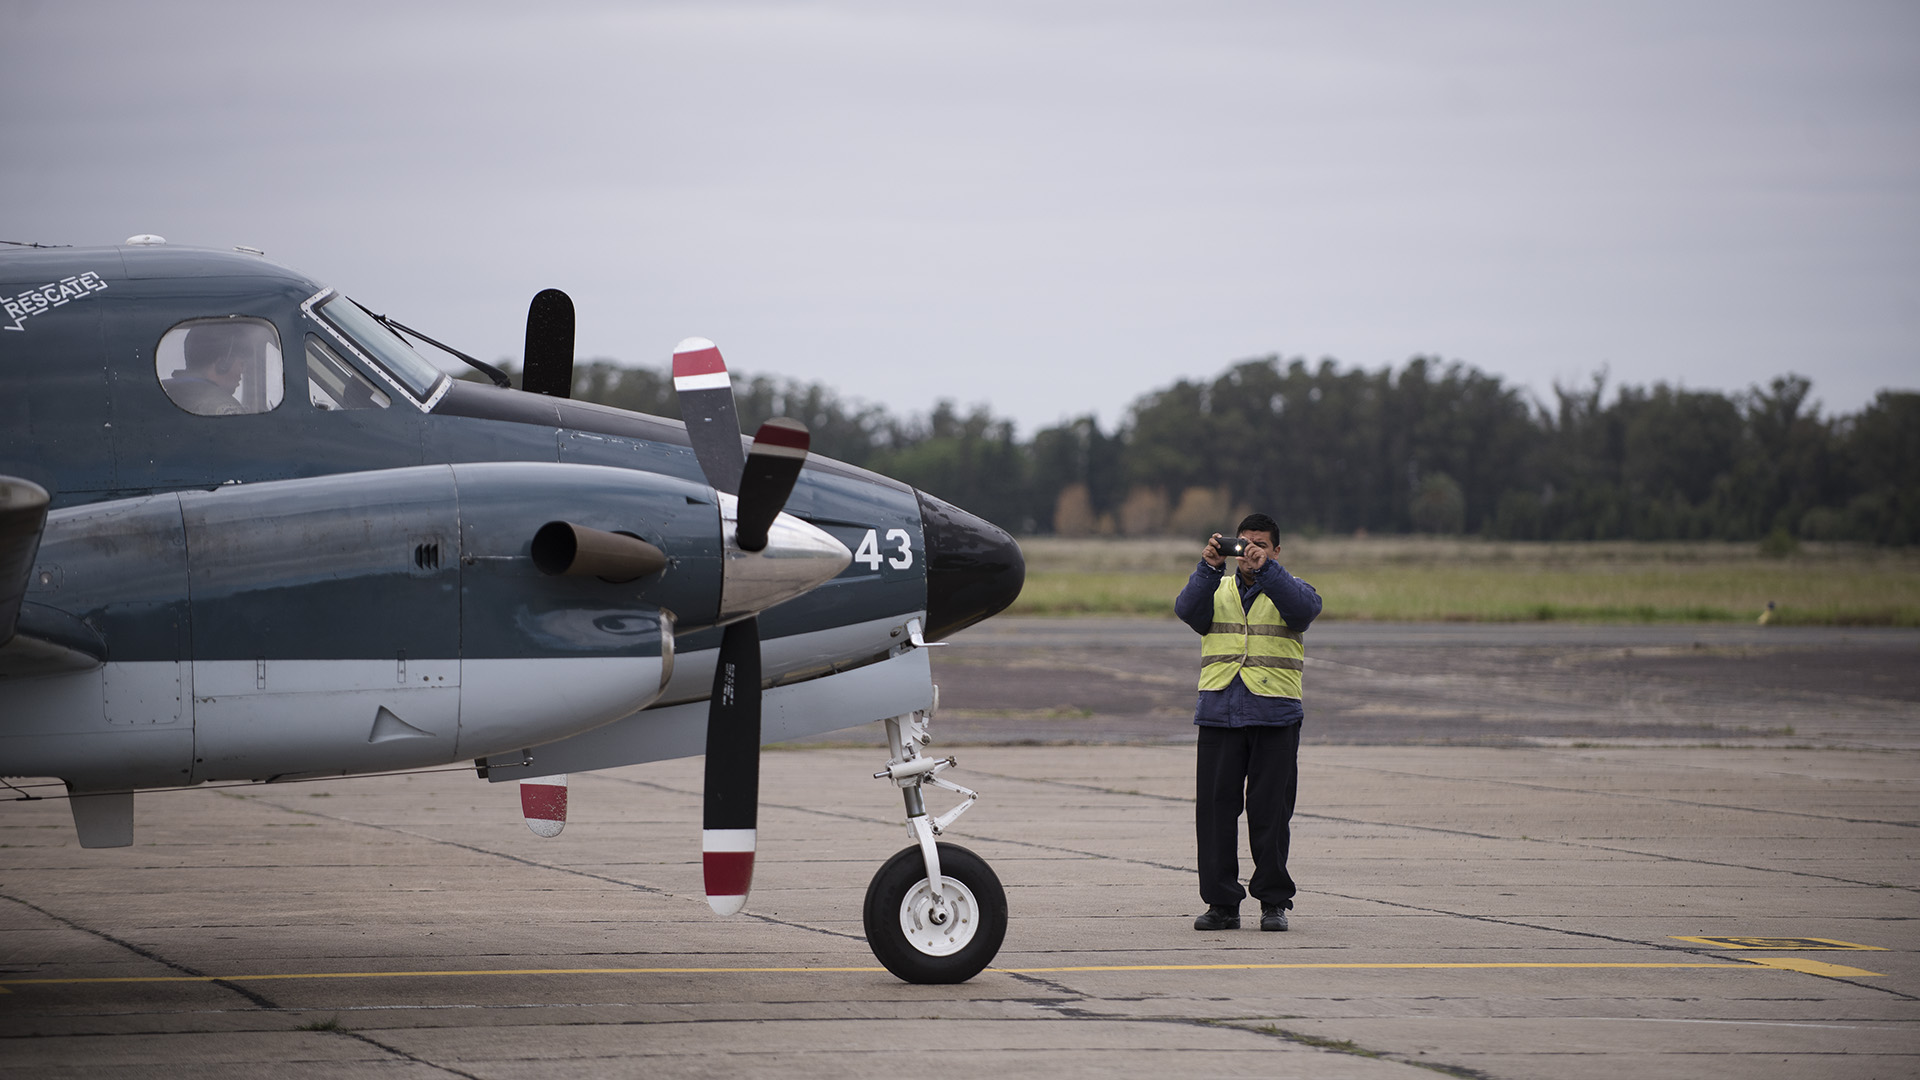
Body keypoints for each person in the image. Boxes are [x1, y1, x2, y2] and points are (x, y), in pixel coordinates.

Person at [1173, 512, 1321, 932]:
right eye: (1243, 544)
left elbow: (1303, 612)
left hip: (1274, 714)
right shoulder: (1215, 585)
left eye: (1260, 545)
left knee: (1270, 814)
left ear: (1277, 550)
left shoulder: (1291, 587)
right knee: (1215, 814)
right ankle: (1222, 904)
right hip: (1219, 712)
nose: (1250, 552)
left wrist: (1267, 571)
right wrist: (1208, 567)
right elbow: (1188, 611)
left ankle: (1273, 903)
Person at [162, 322, 271, 415]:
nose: (243, 371)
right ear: (223, 363)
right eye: (241, 364)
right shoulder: (222, 406)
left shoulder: (169, 393)